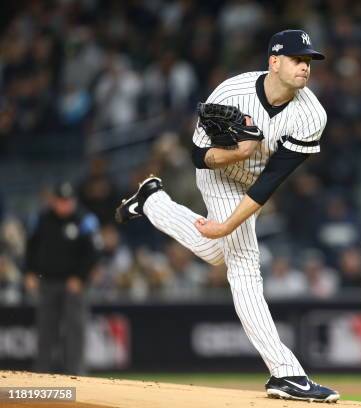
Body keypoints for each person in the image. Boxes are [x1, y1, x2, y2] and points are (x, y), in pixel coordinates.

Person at [115, 29, 339, 402]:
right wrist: (236, 153)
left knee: (219, 250)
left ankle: (152, 201)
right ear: (274, 61)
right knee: (245, 264)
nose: (305, 67)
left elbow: (270, 181)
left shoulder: (312, 114)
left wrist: (227, 224)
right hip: (218, 174)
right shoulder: (231, 93)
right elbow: (197, 156)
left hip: (253, 183)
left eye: (309, 61)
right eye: (297, 59)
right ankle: (284, 373)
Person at [25, 181, 100, 375]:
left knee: (75, 331)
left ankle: (76, 374)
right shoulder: (42, 219)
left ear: (73, 201)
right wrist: (30, 272)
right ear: (54, 201)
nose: (65, 205)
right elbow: (31, 247)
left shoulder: (83, 220)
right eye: (61, 201)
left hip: (73, 285)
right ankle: (41, 375)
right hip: (48, 283)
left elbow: (92, 254)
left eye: (68, 201)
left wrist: (80, 277)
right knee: (46, 331)